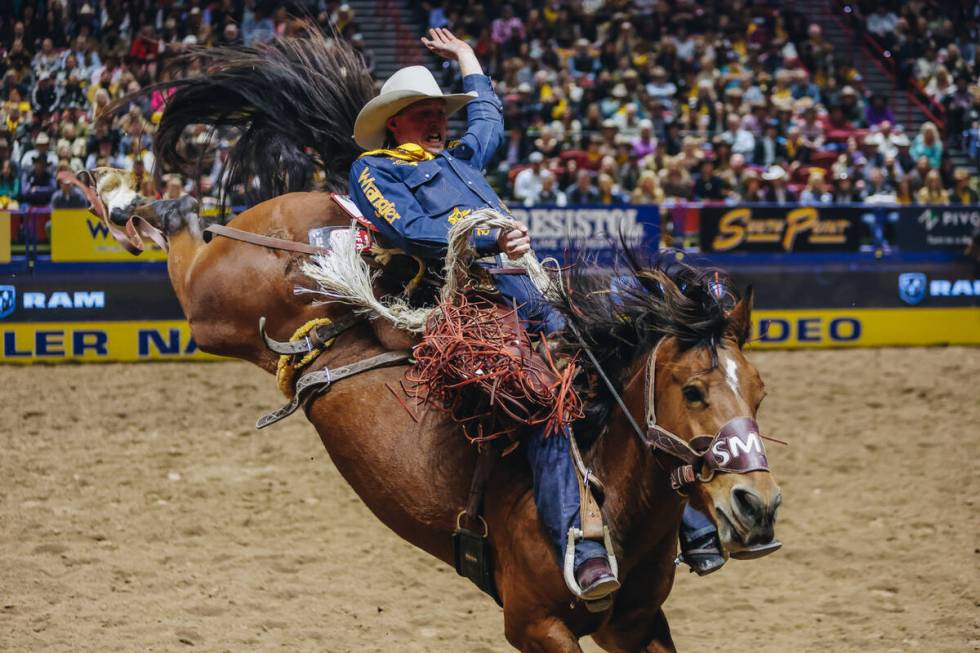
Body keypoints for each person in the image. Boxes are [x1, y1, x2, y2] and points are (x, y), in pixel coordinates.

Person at [347, 29, 728, 598]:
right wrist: (487, 240)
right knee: (545, 400)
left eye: (439, 112)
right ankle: (583, 545)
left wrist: (468, 60)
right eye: (422, 113)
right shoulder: (376, 169)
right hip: (470, 300)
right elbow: (410, 229)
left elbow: (488, 122)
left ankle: (688, 518)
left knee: (622, 370)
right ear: (395, 121)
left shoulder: (458, 159)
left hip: (531, 286)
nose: (436, 121)